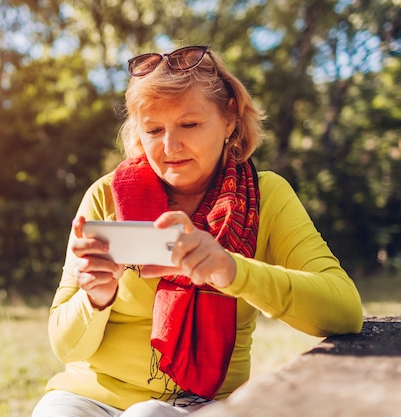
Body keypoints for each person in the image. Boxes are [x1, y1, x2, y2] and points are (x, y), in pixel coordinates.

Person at [31, 45, 363, 417]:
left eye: (189, 124)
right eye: (154, 129)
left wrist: (231, 270)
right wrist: (95, 298)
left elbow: (344, 310)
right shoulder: (106, 195)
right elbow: (65, 346)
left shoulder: (266, 197)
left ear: (229, 120)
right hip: (86, 398)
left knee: (148, 415)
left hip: (199, 405)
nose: (170, 147)